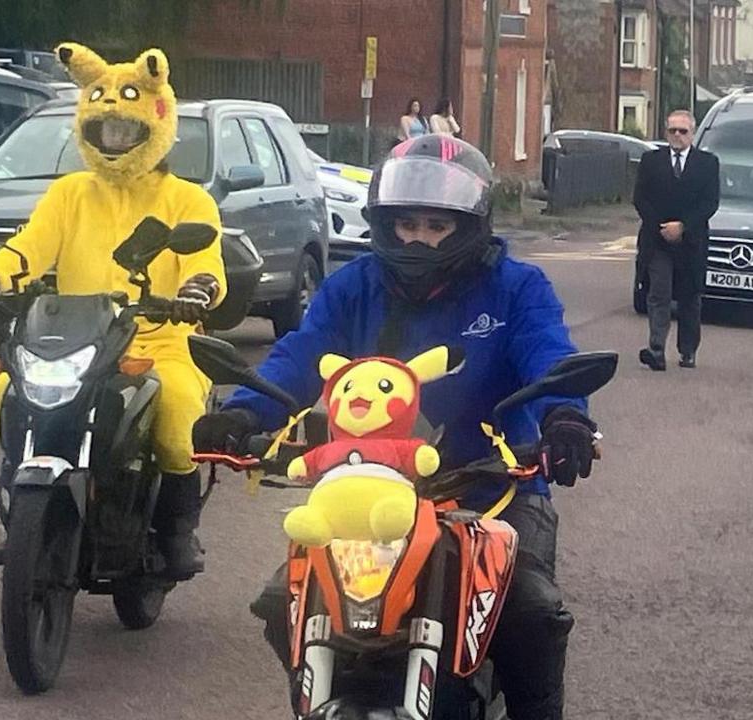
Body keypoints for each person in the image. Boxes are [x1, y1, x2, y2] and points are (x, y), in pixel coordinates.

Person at [192, 135, 599, 720]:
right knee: (286, 599)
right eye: (406, 223)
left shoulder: (516, 287)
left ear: (470, 224)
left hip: (493, 489)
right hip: (370, 492)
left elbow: (550, 353)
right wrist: (242, 413)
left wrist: (565, 418)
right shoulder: (353, 285)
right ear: (384, 223)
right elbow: (301, 355)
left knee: (530, 610)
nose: (418, 238)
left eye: (436, 225)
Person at [0, 43, 225, 578]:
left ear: (156, 122)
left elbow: (207, 259)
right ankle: (27, 520)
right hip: (73, 341)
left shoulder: (188, 200)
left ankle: (176, 531)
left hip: (157, 343)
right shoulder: (69, 193)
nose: (115, 140)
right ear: (87, 127)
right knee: (5, 396)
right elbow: (30, 245)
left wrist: (197, 289)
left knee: (176, 417)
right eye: (105, 130)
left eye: (126, 131)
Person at [633, 109, 719, 371]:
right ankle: (656, 349)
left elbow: (709, 202)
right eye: (673, 131)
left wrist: (682, 226)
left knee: (689, 297)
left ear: (692, 134)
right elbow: (640, 198)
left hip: (691, 241)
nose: (677, 136)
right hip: (657, 240)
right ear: (666, 132)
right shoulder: (650, 161)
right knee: (659, 293)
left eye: (683, 131)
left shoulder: (707, 163)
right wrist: (663, 227)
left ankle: (688, 350)